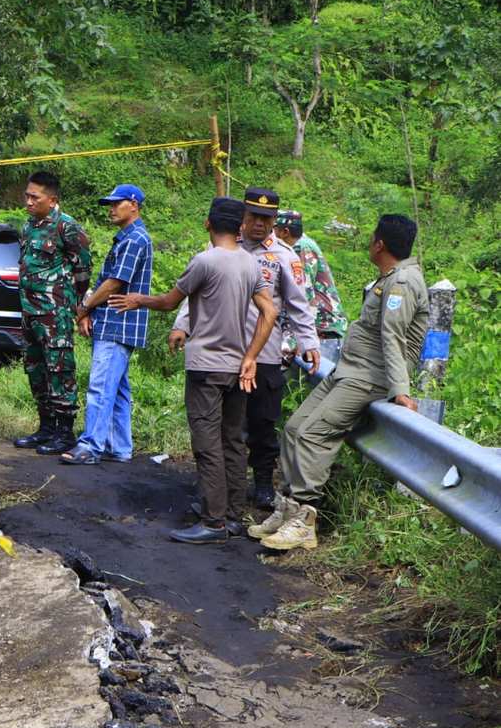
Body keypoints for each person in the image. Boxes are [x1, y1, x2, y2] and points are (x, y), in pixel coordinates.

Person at [254, 214, 428, 552]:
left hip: (368, 376)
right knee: (293, 428)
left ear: (380, 244)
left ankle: (305, 518)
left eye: (371, 238)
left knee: (314, 434)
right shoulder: (390, 277)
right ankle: (287, 507)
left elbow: (393, 339)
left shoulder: (403, 283)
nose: (369, 242)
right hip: (349, 369)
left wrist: (401, 391)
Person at [111, 197, 277, 544]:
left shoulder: (204, 261)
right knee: (232, 440)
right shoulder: (250, 264)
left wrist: (138, 299)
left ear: (208, 224)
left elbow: (171, 301)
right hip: (236, 367)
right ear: (241, 226)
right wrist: (251, 355)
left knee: (207, 443)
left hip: (206, 366)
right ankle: (232, 516)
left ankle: (213, 521)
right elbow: (270, 313)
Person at [172, 188, 320, 509]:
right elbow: (197, 295)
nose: (258, 224)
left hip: (264, 354)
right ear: (243, 217)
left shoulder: (283, 256)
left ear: (274, 221)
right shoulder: (223, 248)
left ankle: (263, 483)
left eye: (266, 219)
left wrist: (308, 342)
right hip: (226, 352)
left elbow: (298, 305)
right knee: (227, 428)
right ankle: (219, 494)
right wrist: (182, 324)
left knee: (263, 421)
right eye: (253, 217)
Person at [61, 184, 153, 465]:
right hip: (112, 322)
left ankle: (91, 445)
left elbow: (114, 283)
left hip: (118, 324)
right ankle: (119, 446)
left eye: (117, 203)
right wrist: (89, 313)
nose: (111, 208)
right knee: (118, 389)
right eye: (110, 204)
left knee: (100, 386)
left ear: (134, 205)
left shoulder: (135, 239)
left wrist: (85, 308)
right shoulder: (126, 238)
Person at [13, 171, 92, 455]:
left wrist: (80, 308)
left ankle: (64, 432)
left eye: (35, 197)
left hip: (55, 314)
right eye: (27, 195)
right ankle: (45, 427)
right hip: (29, 312)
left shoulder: (67, 227)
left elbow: (82, 270)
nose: (29, 201)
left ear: (52, 199)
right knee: (35, 369)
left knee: (60, 370)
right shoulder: (29, 227)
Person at [274, 209, 348, 368]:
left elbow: (304, 298)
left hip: (323, 329)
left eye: (273, 230)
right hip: (311, 328)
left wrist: (296, 341)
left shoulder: (300, 248)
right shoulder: (294, 246)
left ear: (284, 232)